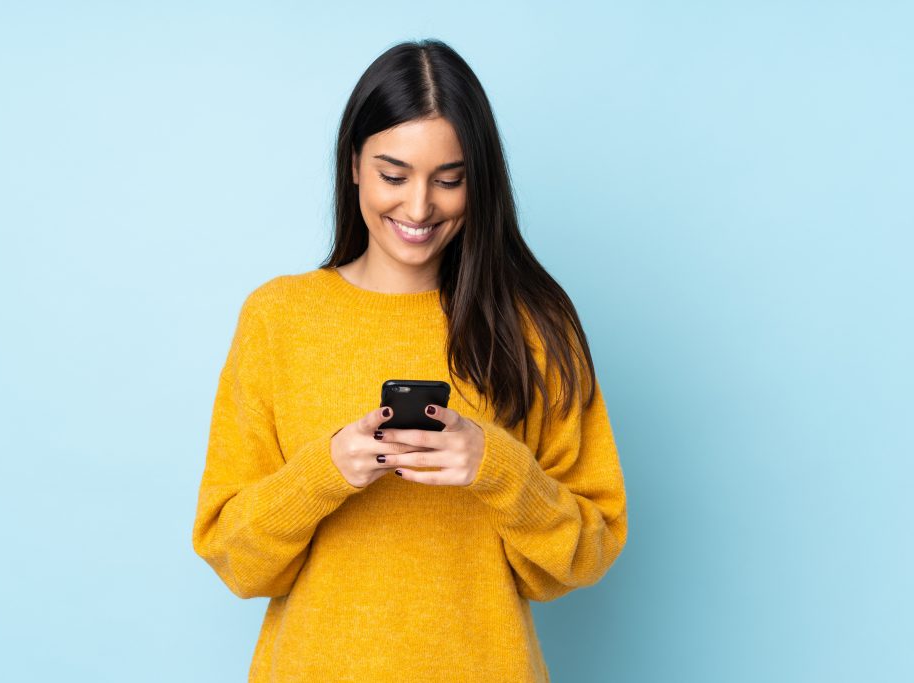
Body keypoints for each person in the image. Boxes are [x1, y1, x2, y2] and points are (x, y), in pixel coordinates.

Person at [191, 38, 629, 682]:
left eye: (449, 180)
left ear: (479, 181)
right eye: (393, 175)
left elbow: (587, 551)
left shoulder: (534, 325)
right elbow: (235, 559)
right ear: (354, 167)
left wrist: (495, 466)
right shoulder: (278, 318)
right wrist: (325, 471)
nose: (419, 207)